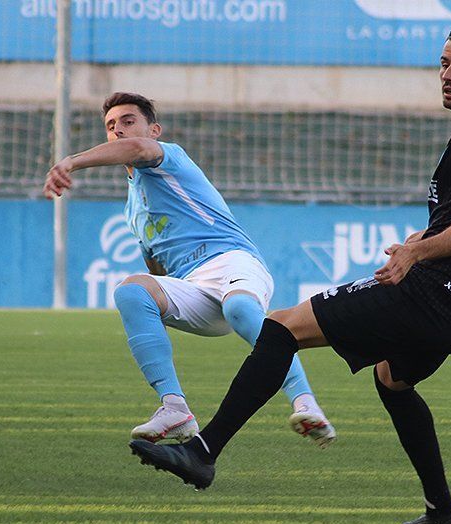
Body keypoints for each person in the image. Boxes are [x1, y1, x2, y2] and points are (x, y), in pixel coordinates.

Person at [130, 25, 451, 524]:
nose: (448, 75)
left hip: (431, 295)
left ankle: (203, 452)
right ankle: (443, 510)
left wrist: (415, 254)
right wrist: (425, 238)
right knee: (393, 379)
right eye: (444, 64)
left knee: (280, 328)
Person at [44, 92, 336, 448]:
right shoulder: (133, 211)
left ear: (154, 130)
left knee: (241, 308)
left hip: (233, 262)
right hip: (194, 287)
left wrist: (70, 162)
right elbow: (157, 268)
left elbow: (137, 150)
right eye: (110, 125)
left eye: (128, 121)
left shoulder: (169, 156)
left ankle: (306, 403)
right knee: (131, 290)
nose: (118, 130)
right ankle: (174, 409)